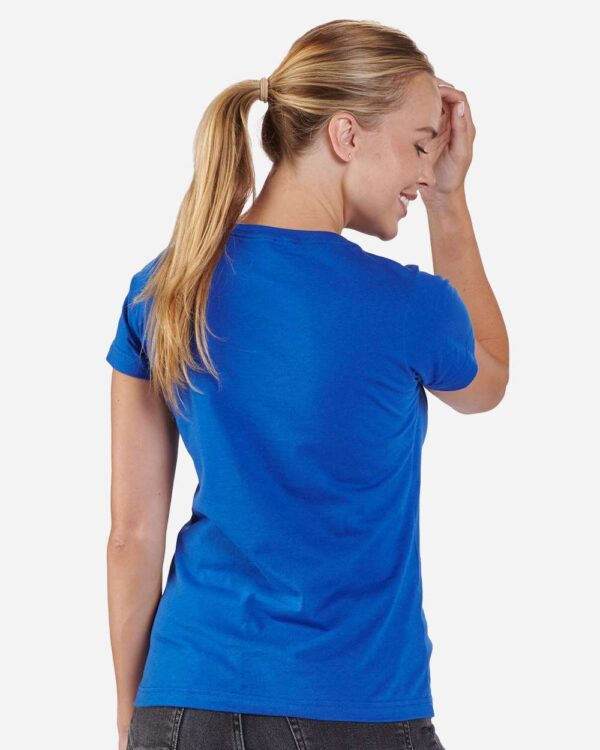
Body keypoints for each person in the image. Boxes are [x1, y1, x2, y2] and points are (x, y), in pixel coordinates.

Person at [106, 18, 509, 750]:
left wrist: (138, 718)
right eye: (421, 144)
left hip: (181, 700)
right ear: (346, 135)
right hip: (351, 705)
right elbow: (488, 379)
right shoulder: (407, 304)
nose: (426, 171)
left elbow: (132, 537)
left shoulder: (162, 289)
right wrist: (451, 199)